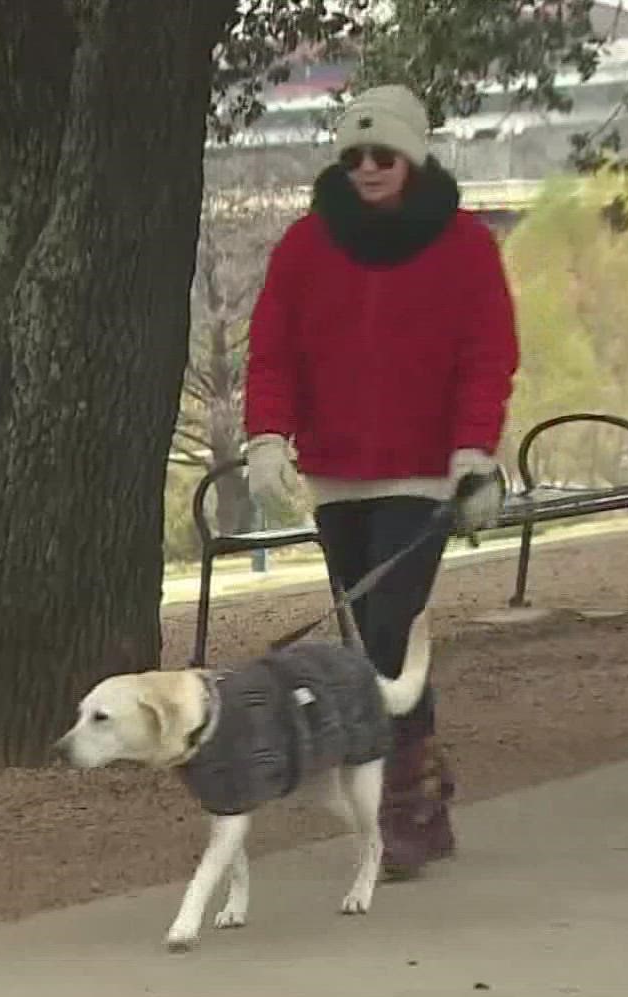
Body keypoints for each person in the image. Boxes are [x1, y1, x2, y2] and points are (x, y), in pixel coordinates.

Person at [241, 83, 521, 879]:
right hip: (336, 473)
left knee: (390, 635)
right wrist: (267, 435)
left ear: (414, 156)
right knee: (368, 641)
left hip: (426, 475)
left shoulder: (465, 246)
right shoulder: (305, 246)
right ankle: (422, 785)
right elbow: (273, 352)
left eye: (384, 154)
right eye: (355, 154)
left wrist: (474, 455)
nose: (368, 167)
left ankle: (404, 807)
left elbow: (486, 356)